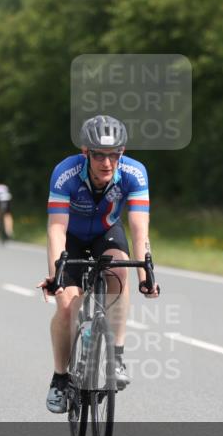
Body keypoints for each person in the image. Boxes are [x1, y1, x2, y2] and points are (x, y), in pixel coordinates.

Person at [37, 115, 160, 414]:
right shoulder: (65, 173)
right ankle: (60, 378)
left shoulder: (135, 173)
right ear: (85, 152)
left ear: (123, 152)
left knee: (120, 271)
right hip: (72, 237)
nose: (107, 162)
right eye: (99, 155)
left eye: (114, 154)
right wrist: (56, 276)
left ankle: (115, 356)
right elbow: (56, 228)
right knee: (67, 307)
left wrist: (147, 272)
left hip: (107, 232)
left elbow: (140, 229)